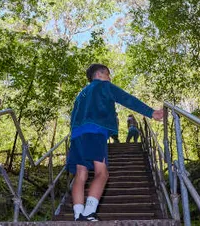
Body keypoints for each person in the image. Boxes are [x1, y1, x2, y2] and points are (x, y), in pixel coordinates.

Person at [65, 63, 164, 221]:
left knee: (80, 174)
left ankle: (78, 214)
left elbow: (74, 116)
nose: (109, 78)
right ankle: (89, 212)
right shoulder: (105, 86)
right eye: (108, 74)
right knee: (102, 173)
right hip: (95, 133)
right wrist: (151, 112)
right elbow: (126, 99)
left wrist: (74, 136)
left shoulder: (81, 94)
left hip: (77, 136)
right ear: (99, 75)